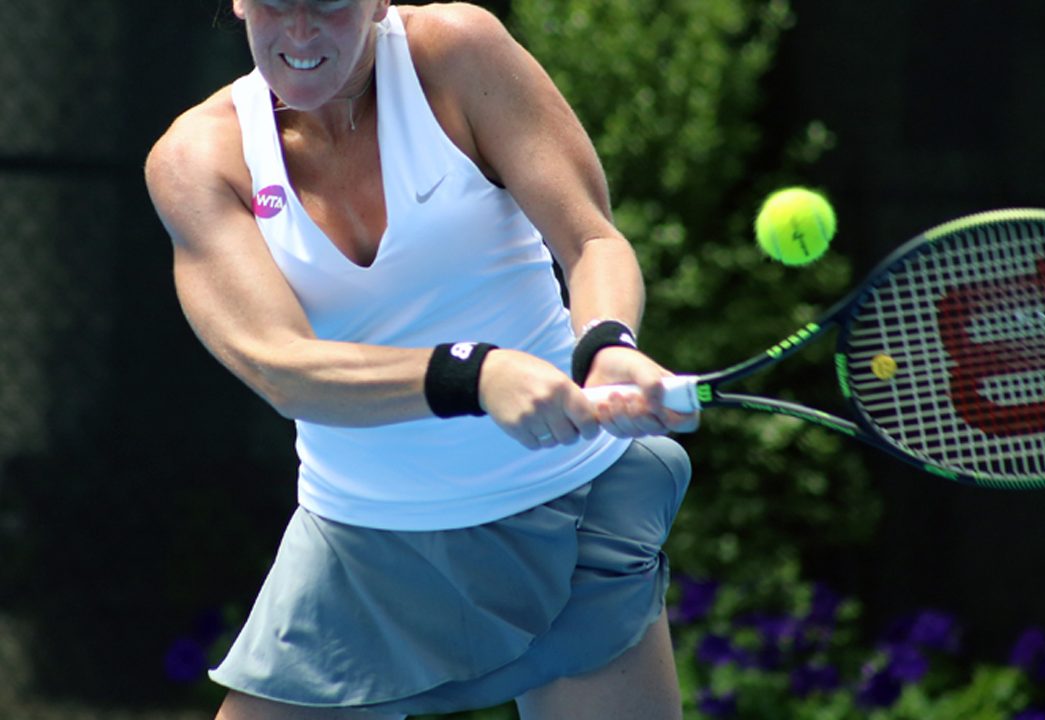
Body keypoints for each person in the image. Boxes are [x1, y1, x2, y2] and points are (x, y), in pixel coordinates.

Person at [145, 1, 698, 718]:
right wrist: (475, 375)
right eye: (277, 2)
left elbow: (591, 240)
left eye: (330, 5)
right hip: (361, 544)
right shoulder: (197, 158)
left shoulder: (458, 53)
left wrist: (607, 344)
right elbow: (280, 366)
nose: (301, 32)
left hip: (569, 512)